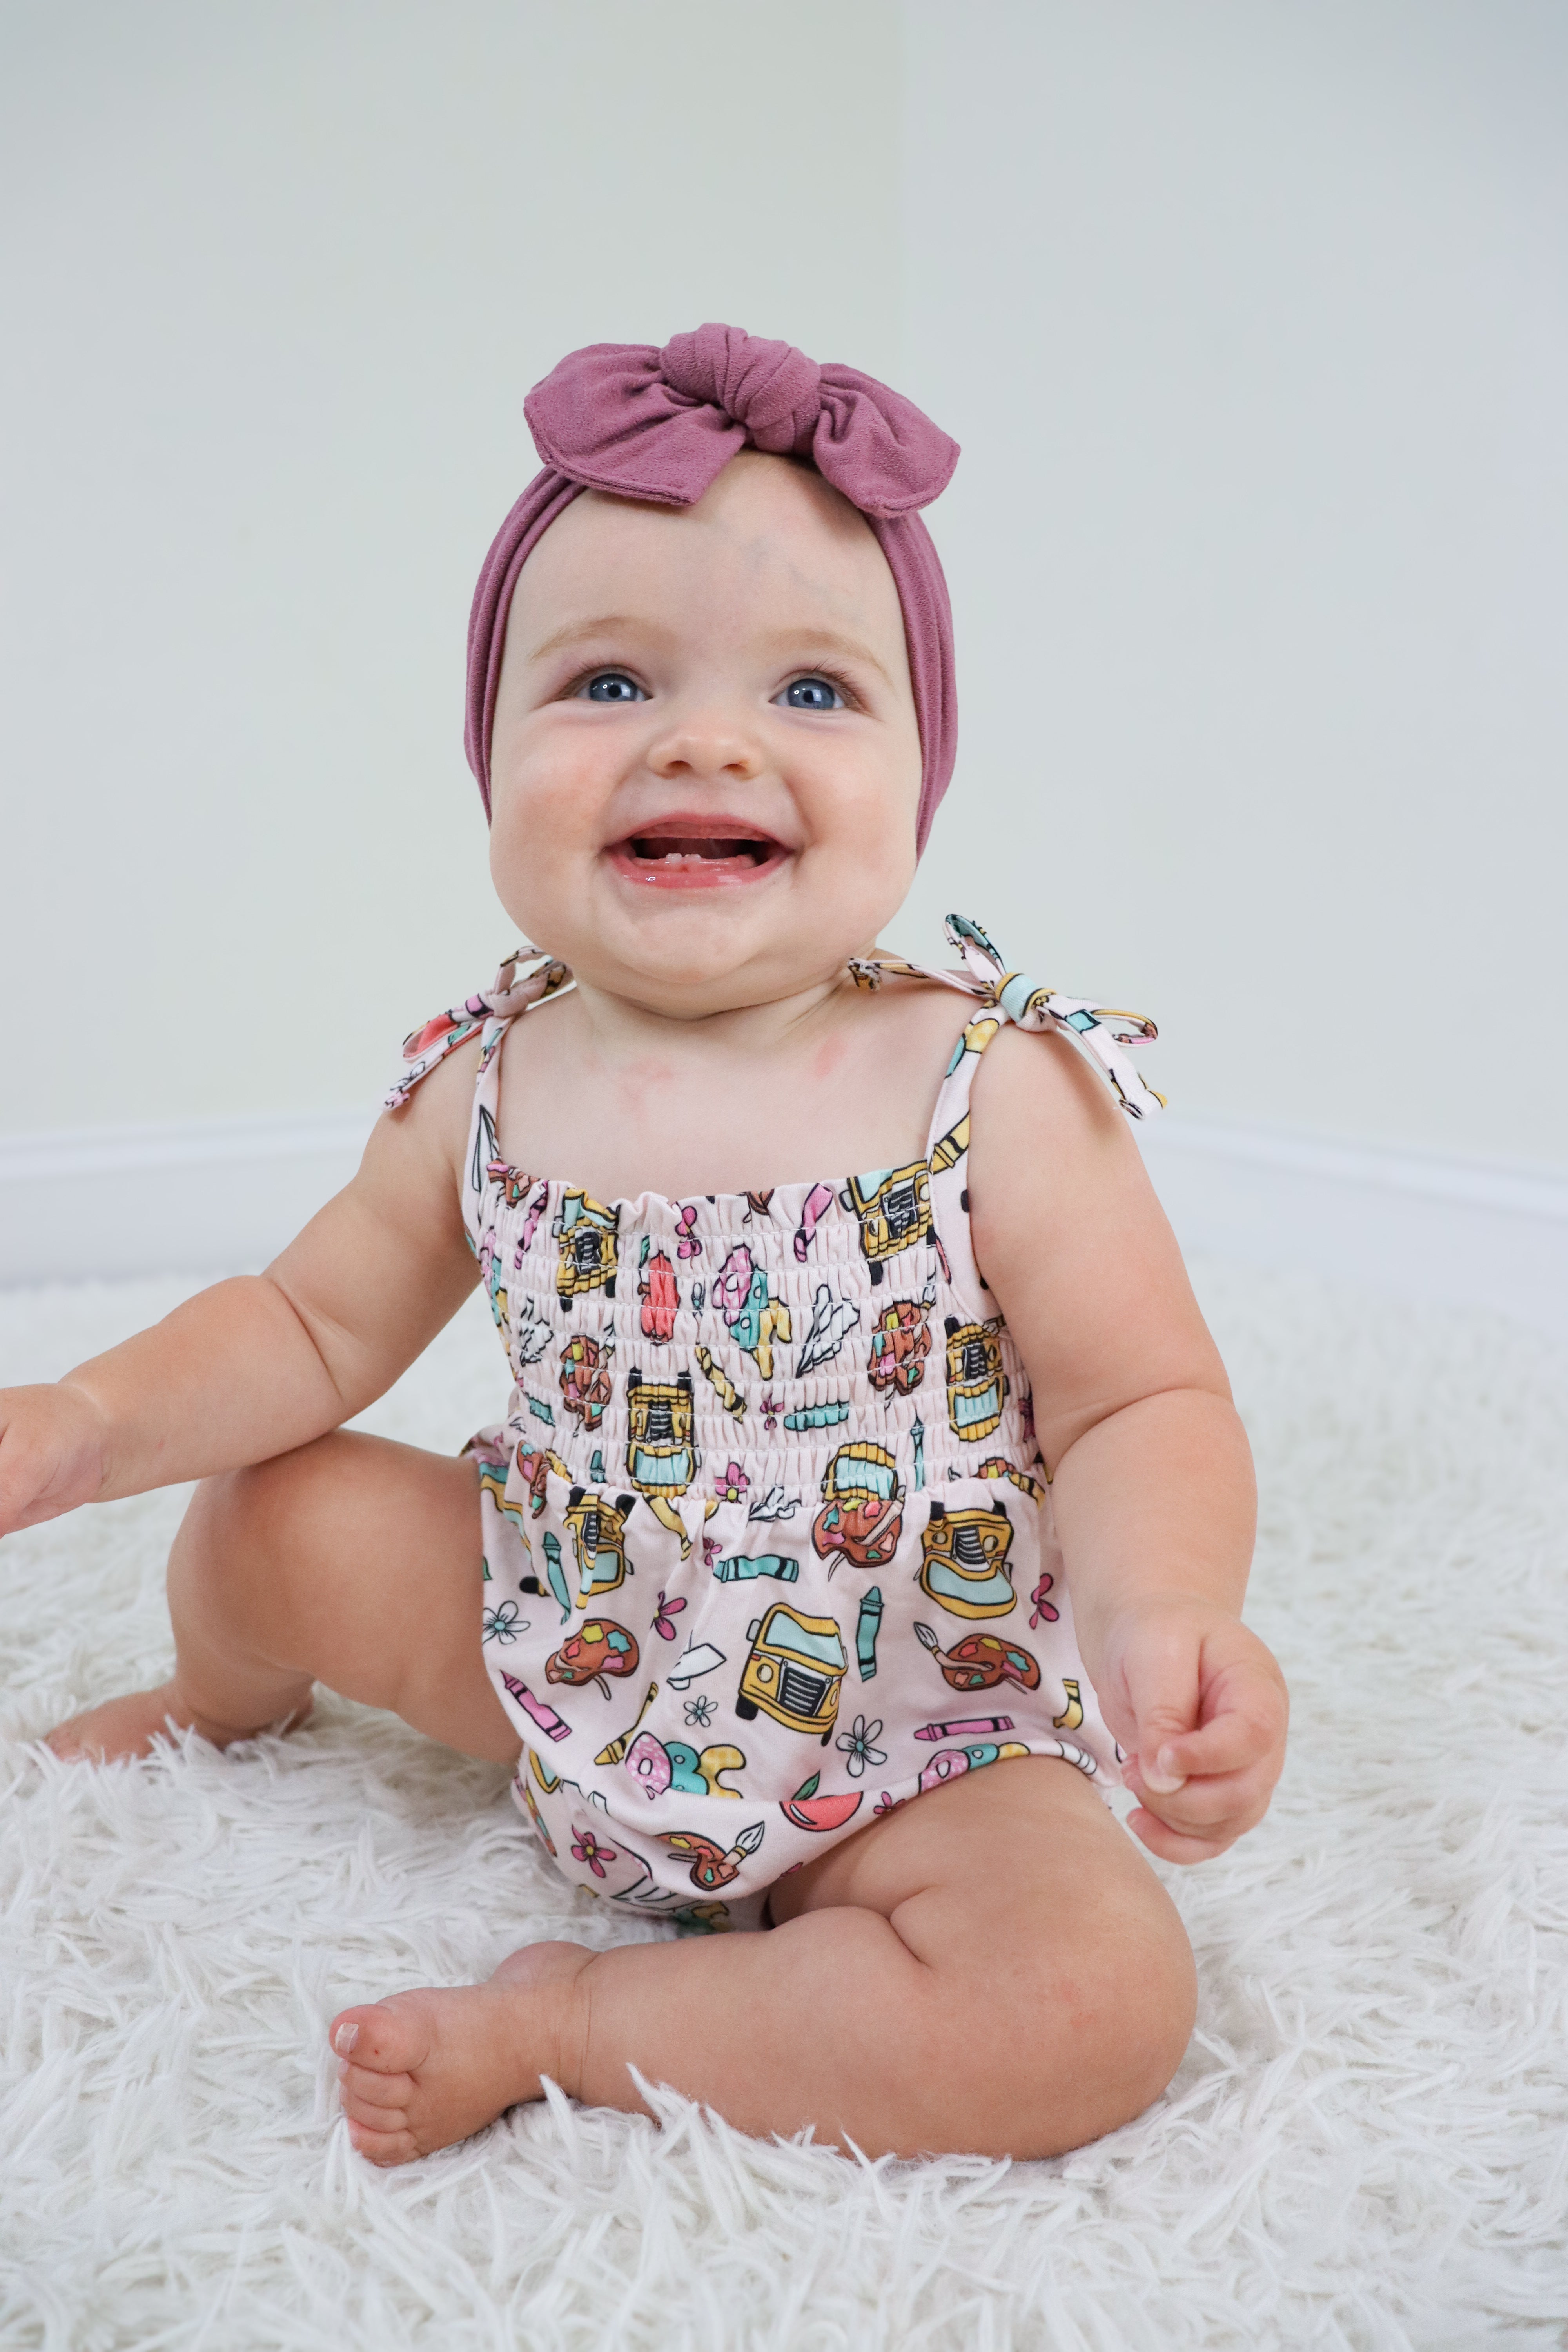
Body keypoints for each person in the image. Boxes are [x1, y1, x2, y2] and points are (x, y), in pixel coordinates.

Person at [0, 326, 1287, 2168]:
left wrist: (1167, 1611)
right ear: (487, 758)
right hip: (560, 1642)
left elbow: (1140, 1398)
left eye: (814, 690)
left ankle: (574, 2022)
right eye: (607, 680)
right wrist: (88, 1423)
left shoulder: (993, 1081)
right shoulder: (488, 1076)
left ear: (922, 772)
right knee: (275, 1505)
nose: (704, 739)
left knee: (1087, 2002)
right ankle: (220, 1701)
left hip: (919, 1724)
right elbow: (304, 1325)